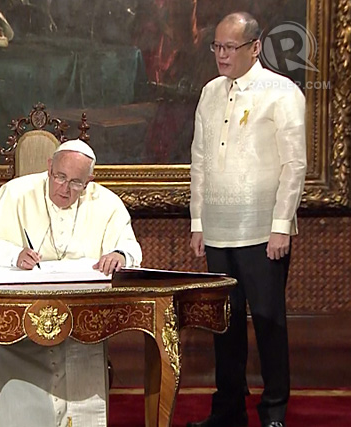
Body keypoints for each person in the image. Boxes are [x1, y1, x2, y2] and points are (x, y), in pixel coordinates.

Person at [0, 139, 143, 427]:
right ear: (49, 168)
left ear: (89, 181)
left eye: (76, 183)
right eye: (60, 177)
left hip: (80, 315)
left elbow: (131, 250)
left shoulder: (105, 202)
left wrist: (119, 255)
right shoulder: (16, 193)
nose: (64, 189)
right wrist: (15, 255)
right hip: (19, 315)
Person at [187, 12, 306, 427]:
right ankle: (228, 411)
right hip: (218, 228)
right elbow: (199, 159)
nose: (221, 55)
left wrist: (280, 225)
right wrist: (198, 222)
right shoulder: (209, 92)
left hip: (263, 230)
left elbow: (294, 164)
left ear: (255, 47)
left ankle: (274, 413)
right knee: (226, 325)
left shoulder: (282, 92)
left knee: (269, 322)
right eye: (216, 46)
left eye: (229, 47)